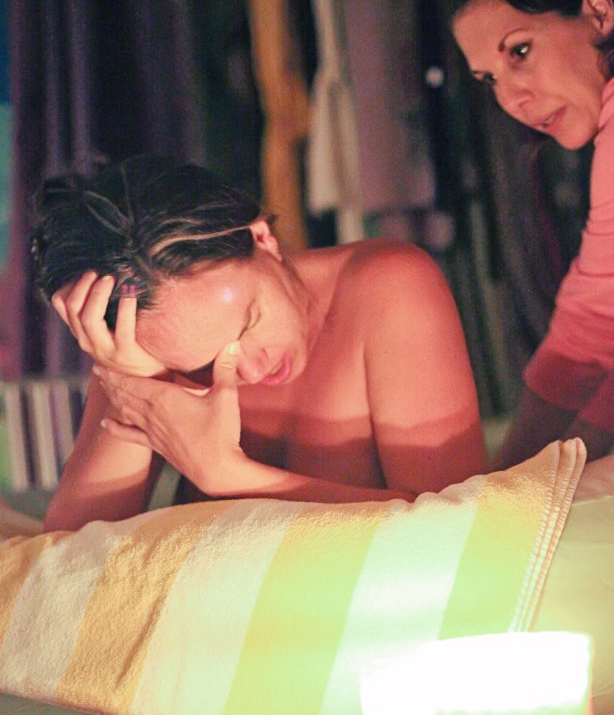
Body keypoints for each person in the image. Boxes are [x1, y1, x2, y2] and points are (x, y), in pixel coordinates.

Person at [31, 155, 487, 531]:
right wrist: (132, 379)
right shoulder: (148, 337)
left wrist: (226, 474)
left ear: (263, 238)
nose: (250, 370)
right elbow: (71, 554)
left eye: (250, 323)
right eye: (204, 365)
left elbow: (458, 528)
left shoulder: (386, 288)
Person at [448, 0, 614, 467]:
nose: (511, 100)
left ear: (598, 10)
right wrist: (553, 467)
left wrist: (500, 486)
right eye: (490, 79)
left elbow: (591, 330)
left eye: (520, 51)